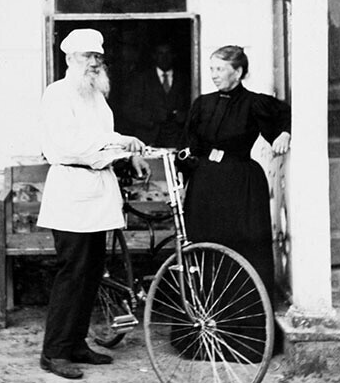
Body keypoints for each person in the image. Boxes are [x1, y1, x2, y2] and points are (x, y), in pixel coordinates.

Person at [37, 28, 150, 380]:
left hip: (97, 193)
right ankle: (54, 352)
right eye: (87, 57)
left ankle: (76, 343)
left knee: (92, 273)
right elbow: (71, 145)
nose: (94, 63)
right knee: (72, 273)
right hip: (71, 192)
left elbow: (105, 137)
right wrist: (115, 147)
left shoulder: (96, 96)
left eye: (98, 57)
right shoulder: (58, 94)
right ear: (70, 59)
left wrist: (128, 150)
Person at [179, 45, 291, 307]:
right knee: (205, 247)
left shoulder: (255, 103)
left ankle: (244, 327)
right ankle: (205, 322)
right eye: (211, 69)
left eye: (220, 69)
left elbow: (286, 115)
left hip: (241, 186)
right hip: (205, 184)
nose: (214, 75)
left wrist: (284, 133)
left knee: (241, 249)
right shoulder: (202, 104)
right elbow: (188, 144)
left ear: (238, 72)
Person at [121, 41, 189, 148]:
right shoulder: (141, 79)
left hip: (177, 138)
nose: (164, 57)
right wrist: (152, 118)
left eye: (168, 53)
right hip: (148, 137)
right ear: (154, 56)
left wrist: (182, 116)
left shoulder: (184, 79)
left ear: (174, 55)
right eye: (160, 54)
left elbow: (192, 106)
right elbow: (129, 109)